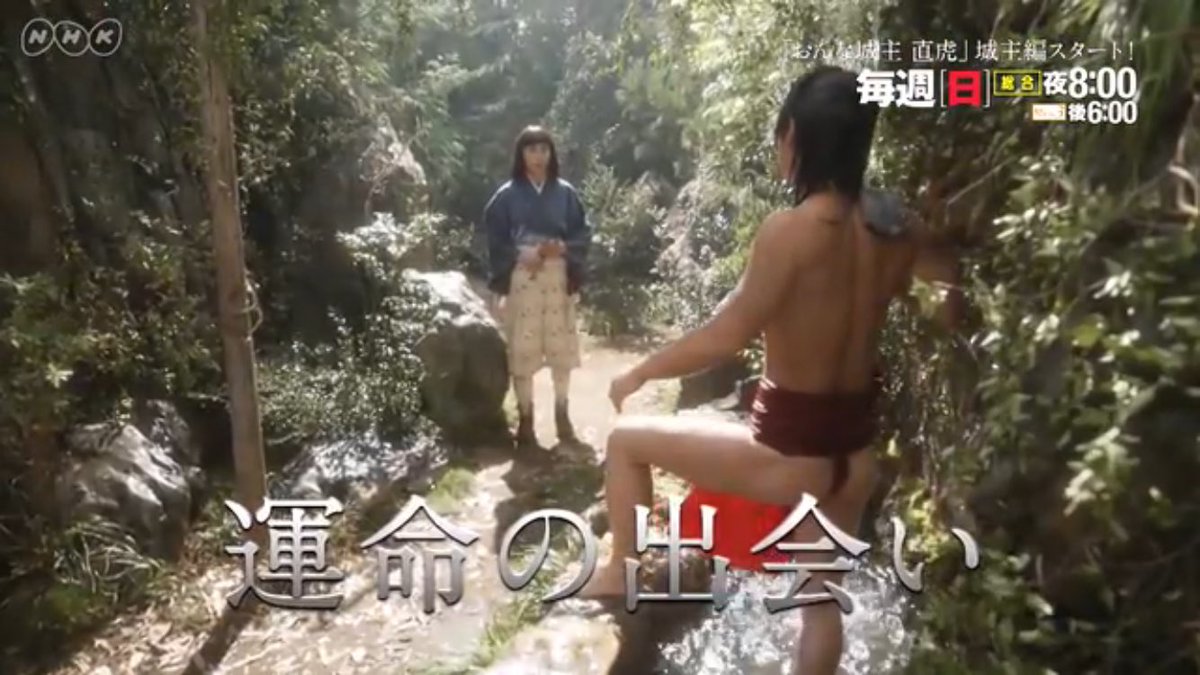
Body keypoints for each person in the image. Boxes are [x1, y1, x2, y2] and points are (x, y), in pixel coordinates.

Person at [577, 66, 960, 675]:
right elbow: (952, 293)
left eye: (783, 135)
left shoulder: (791, 231)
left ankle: (618, 573)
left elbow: (725, 335)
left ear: (795, 138)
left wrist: (641, 372)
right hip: (854, 461)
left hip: (787, 456)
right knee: (820, 606)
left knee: (626, 441)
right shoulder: (896, 228)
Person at [482, 125, 592, 450]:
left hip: (558, 275)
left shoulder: (566, 193)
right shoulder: (506, 196)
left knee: (561, 347)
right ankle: (526, 420)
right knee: (523, 346)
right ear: (521, 154)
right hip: (523, 275)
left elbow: (582, 232)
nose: (538, 156)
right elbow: (495, 237)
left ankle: (562, 413)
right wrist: (520, 253)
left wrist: (564, 247)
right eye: (531, 149)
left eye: (544, 149)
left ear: (551, 154)